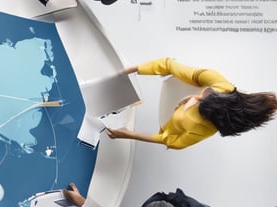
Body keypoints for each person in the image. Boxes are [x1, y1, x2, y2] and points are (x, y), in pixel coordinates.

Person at [106, 58, 277, 149]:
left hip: (168, 121)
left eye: (199, 101)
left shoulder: (204, 128)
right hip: (172, 91)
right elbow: (168, 65)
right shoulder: (220, 84)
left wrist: (126, 134)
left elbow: (169, 141)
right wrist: (125, 72)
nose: (194, 98)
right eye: (204, 95)